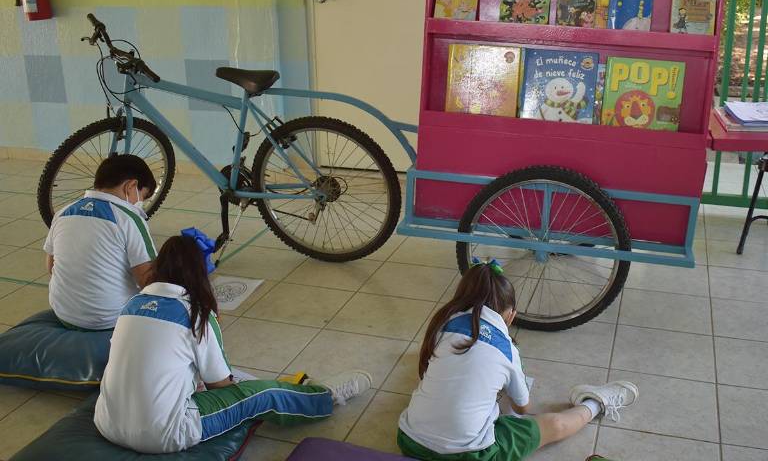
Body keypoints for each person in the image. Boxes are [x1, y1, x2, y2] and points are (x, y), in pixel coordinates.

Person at [95, 235, 372, 454]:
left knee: (217, 375)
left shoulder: (132, 304)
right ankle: (326, 396)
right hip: (164, 434)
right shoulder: (194, 313)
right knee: (262, 393)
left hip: (107, 422)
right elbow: (221, 385)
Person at [397, 260, 638, 461]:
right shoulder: (507, 350)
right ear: (511, 315)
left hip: (409, 440)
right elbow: (524, 408)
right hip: (471, 456)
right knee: (553, 425)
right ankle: (596, 404)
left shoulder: (443, 323)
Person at [44, 154, 158, 331]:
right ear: (131, 186)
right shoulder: (129, 219)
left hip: (63, 313)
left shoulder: (63, 213)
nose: (140, 203)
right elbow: (148, 281)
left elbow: (51, 267)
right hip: (110, 320)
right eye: (142, 197)